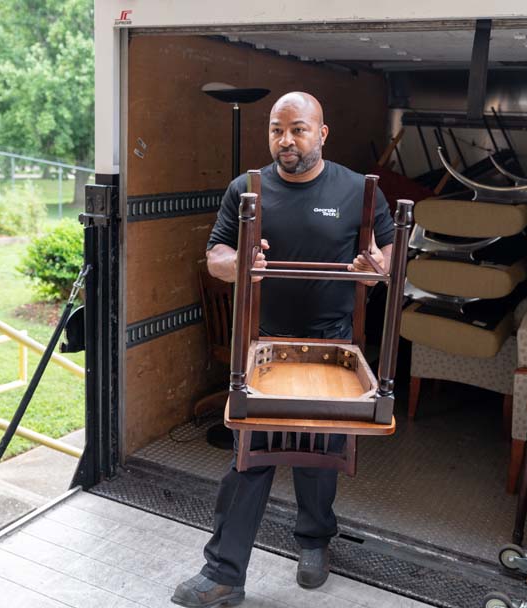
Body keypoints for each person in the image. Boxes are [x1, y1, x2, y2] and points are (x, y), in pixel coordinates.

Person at [171, 91, 395, 608]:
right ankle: (224, 574)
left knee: (320, 457)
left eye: (297, 129)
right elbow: (216, 257)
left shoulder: (358, 191)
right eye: (276, 129)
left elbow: (386, 251)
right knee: (249, 460)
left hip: (331, 347)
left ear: (322, 133)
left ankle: (315, 544)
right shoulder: (247, 189)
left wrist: (376, 267)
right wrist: (242, 259)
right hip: (264, 347)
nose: (286, 140)